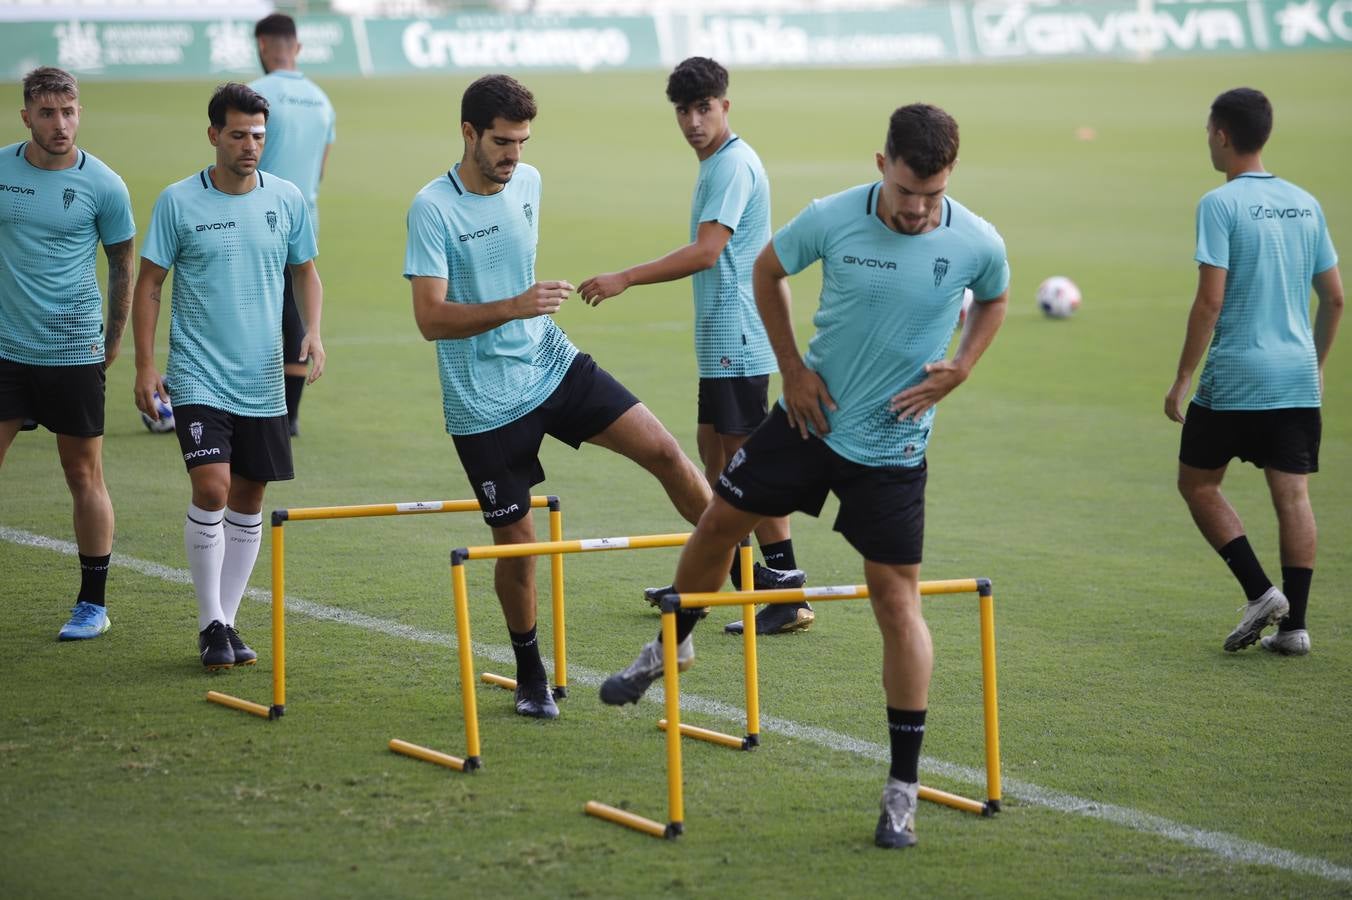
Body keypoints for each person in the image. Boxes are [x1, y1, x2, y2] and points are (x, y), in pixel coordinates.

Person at [600, 103, 1010, 850]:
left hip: (891, 446)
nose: (919, 210)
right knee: (720, 518)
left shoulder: (978, 240)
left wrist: (964, 366)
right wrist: (790, 368)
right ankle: (672, 643)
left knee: (896, 603)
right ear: (879, 164)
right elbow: (767, 270)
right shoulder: (831, 217)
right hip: (807, 419)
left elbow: (996, 296)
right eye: (907, 192)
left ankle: (902, 789)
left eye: (933, 194)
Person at [404, 74, 711, 720]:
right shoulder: (432, 209)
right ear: (468, 134)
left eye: (522, 141)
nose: (515, 156)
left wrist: (528, 316)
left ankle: (723, 586)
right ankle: (530, 672)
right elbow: (430, 319)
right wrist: (515, 305)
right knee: (518, 546)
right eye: (502, 142)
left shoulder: (530, 184)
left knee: (664, 451)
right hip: (482, 403)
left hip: (551, 363)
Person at [578, 57, 810, 636]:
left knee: (742, 466)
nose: (692, 121)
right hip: (721, 340)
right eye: (683, 111)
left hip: (739, 336)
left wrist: (625, 277)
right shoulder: (717, 164)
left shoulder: (732, 167)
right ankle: (703, 587)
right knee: (713, 460)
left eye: (703, 108)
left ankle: (786, 591)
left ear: (724, 106)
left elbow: (708, 252)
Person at [132, 83, 325, 670]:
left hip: (262, 378)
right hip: (198, 373)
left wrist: (312, 331)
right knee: (212, 487)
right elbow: (149, 285)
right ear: (214, 134)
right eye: (238, 134)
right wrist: (145, 364)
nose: (250, 145)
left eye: (259, 135)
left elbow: (306, 273)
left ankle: (227, 623)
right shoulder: (178, 201)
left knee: (248, 496)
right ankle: (208, 621)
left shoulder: (287, 199)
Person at [1165, 87, 1342, 657]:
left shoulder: (1219, 204)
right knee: (1293, 499)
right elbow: (1335, 299)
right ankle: (1296, 629)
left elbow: (1209, 302)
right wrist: (1312, 365)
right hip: (1295, 379)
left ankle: (1260, 592)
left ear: (1221, 134)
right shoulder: (1306, 203)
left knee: (1198, 483)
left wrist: (1183, 377)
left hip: (1237, 375)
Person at [0, 67, 135, 641]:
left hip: (72, 349)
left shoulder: (104, 184)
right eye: (49, 113)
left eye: (70, 112)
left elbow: (124, 262)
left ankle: (92, 604)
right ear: (26, 115)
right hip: (6, 347)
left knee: (82, 472)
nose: (61, 124)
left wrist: (112, 340)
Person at [250, 12, 335, 437]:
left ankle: (272, 415)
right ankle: (290, 416)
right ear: (296, 47)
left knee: (258, 318)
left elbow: (241, 164)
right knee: (293, 318)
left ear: (263, 45)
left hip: (255, 223)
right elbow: (319, 171)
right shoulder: (323, 101)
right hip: (304, 224)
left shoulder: (254, 95)